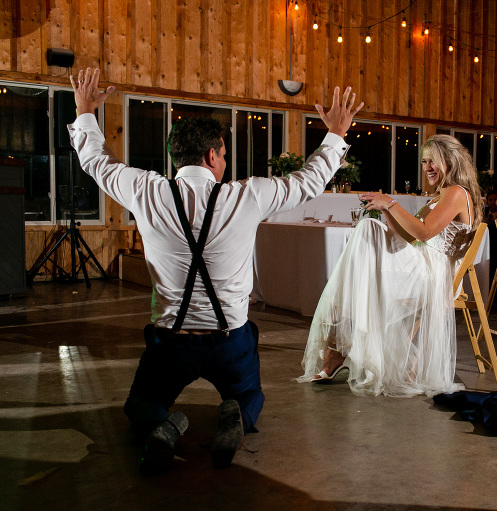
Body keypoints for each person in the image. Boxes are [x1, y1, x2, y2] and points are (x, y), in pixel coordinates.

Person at [68, 68, 362, 472]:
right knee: (249, 397)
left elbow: (96, 162)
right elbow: (308, 181)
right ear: (212, 156)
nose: (225, 162)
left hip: (171, 343)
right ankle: (237, 416)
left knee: (141, 402)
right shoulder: (248, 195)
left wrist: (85, 112)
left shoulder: (145, 190)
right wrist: (336, 133)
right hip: (229, 343)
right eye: (224, 154)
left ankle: (161, 423)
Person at [298, 134, 484, 397]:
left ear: (451, 162)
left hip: (432, 275)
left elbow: (423, 233)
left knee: (366, 232)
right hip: (419, 265)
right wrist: (384, 210)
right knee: (369, 232)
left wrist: (392, 203)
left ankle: (339, 349)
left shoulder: (456, 193)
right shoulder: (438, 196)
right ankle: (342, 346)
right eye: (424, 161)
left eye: (434, 161)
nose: (427, 167)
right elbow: (406, 236)